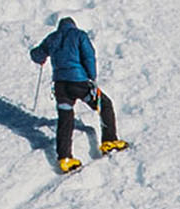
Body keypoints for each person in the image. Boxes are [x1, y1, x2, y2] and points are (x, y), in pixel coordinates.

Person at [28, 14, 126, 170]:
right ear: (73, 25)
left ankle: (65, 158)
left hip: (61, 86)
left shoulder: (52, 38)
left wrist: (40, 58)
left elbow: (36, 54)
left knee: (65, 120)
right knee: (104, 104)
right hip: (78, 83)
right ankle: (109, 141)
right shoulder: (79, 35)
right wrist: (91, 77)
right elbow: (89, 56)